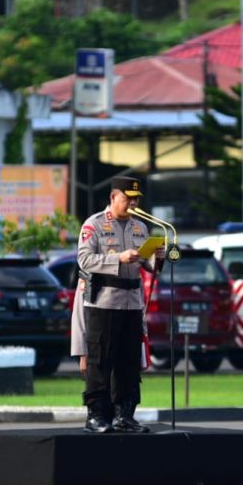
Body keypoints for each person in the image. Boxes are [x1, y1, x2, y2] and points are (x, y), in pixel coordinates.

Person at [77, 176, 162, 433]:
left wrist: (158, 259)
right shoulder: (95, 225)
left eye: (135, 199)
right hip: (104, 301)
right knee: (101, 361)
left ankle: (125, 414)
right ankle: (97, 416)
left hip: (132, 303)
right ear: (113, 197)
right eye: (127, 198)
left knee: (128, 361)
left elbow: (147, 266)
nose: (132, 203)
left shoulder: (140, 227)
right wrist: (119, 258)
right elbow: (84, 260)